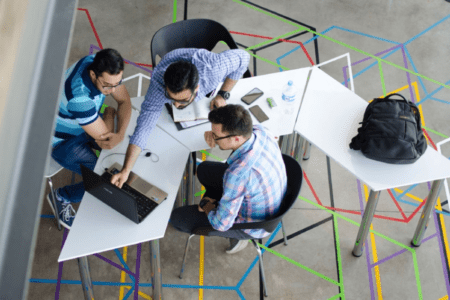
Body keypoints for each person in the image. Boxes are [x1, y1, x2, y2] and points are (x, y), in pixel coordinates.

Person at [109, 48, 250, 188]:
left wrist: (223, 93)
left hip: (202, 63)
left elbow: (244, 57)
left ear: (197, 88)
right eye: (171, 98)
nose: (176, 105)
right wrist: (126, 170)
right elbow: (144, 127)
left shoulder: (213, 69)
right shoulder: (159, 83)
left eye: (182, 100)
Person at [169, 104, 287, 254]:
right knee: (204, 169)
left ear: (236, 138)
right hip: (268, 197)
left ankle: (238, 238)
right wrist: (214, 134)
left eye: (216, 136)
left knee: (178, 218)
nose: (213, 138)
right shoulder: (260, 131)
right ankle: (222, 201)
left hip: (252, 225)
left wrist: (207, 205)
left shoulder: (238, 175)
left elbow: (221, 224)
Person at [47, 48, 132, 228]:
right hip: (62, 141)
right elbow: (107, 141)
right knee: (103, 178)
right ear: (93, 74)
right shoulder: (79, 98)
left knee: (120, 152)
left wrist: (120, 134)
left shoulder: (99, 62)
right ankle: (62, 196)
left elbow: (125, 101)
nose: (113, 90)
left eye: (117, 83)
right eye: (107, 85)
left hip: (83, 124)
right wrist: (109, 116)